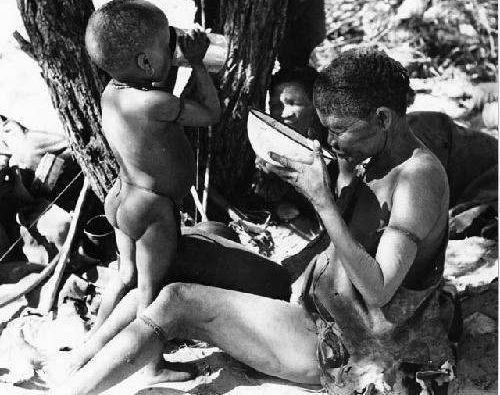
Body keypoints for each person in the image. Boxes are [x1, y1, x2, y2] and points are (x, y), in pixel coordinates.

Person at [48, 48, 457, 395]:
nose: (332, 140)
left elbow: (380, 288)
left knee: (177, 299)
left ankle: (74, 391)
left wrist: (323, 202)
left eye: (340, 131)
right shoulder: (375, 154)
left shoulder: (417, 181)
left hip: (347, 345)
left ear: (384, 118)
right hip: (316, 301)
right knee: (180, 252)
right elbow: (353, 230)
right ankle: (84, 357)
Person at [55, 0, 222, 383]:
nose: (173, 47)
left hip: (122, 199)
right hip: (153, 211)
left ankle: (90, 344)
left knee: (124, 276)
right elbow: (211, 114)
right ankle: (153, 365)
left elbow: (152, 79)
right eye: (168, 44)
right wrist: (197, 62)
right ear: (146, 62)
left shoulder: (115, 93)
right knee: (151, 291)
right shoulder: (157, 104)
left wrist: (167, 54)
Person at [252, 66, 327, 220]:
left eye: (293, 104)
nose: (284, 114)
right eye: (276, 106)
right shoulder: (268, 146)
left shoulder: (334, 142)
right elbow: (266, 194)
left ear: (316, 106)